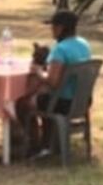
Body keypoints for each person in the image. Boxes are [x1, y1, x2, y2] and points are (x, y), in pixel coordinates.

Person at [19, 10, 93, 156]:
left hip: (62, 103)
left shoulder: (60, 49)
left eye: (53, 27)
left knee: (22, 104)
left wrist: (38, 71)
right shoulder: (84, 44)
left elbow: (53, 82)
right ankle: (49, 140)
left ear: (60, 28)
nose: (51, 30)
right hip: (82, 101)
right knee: (42, 96)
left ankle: (36, 144)